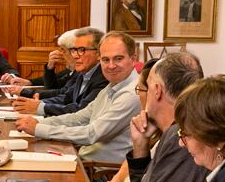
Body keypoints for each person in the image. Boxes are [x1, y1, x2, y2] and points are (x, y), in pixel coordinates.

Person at [104, 52, 204, 182]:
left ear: (157, 90)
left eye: (146, 87)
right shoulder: (170, 132)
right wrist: (140, 148)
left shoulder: (182, 138)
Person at [14, 31, 141, 163]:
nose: (111, 65)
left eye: (118, 58)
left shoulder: (132, 93)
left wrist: (39, 128)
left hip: (101, 174)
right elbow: (80, 118)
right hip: (83, 159)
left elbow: (91, 134)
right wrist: (37, 123)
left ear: (133, 59)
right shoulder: (112, 86)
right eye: (105, 59)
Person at [10, 27, 107, 117]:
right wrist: (39, 103)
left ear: (99, 53)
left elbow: (81, 111)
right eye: (74, 50)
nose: (75, 56)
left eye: (81, 50)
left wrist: (40, 107)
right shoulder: (84, 73)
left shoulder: (103, 77)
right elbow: (66, 97)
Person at [0, 30, 76, 91]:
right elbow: (53, 85)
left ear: (73, 51)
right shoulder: (71, 70)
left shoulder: (80, 72)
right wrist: (30, 82)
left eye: (63, 50)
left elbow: (59, 93)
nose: (60, 53)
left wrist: (27, 94)